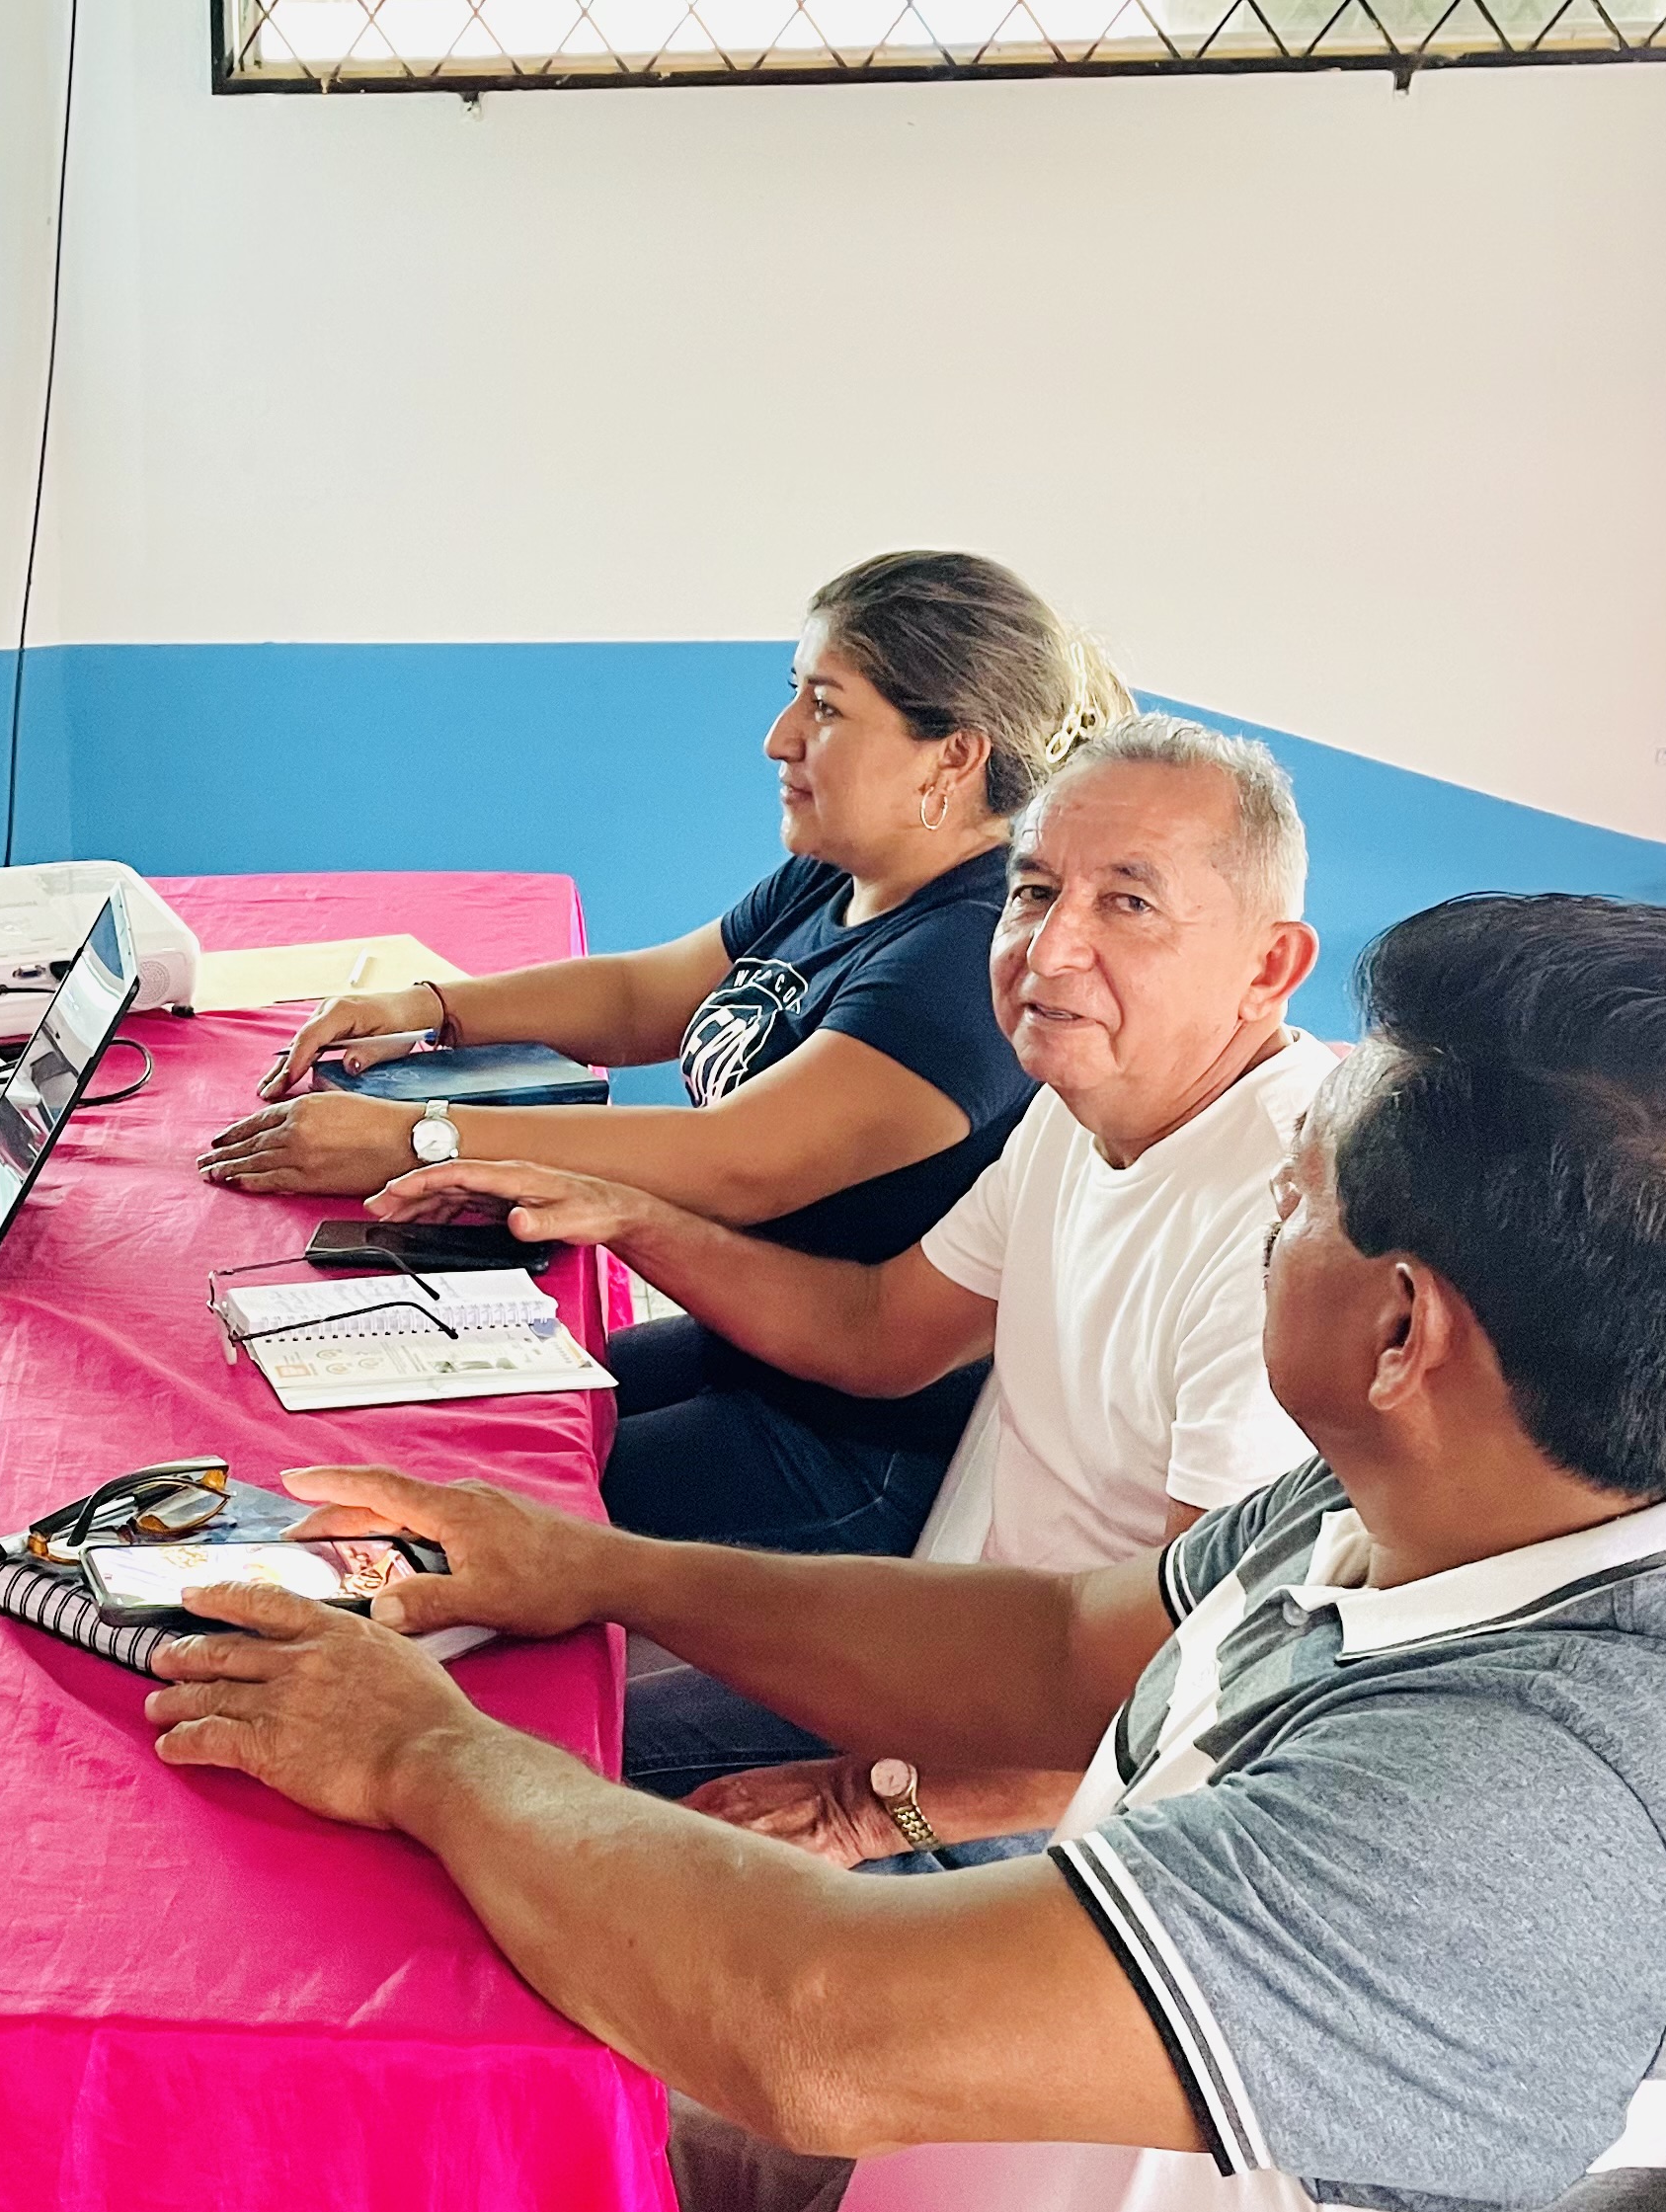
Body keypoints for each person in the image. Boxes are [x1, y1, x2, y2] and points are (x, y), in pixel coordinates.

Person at [144, 896, 1666, 2212]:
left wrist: (425, 1751)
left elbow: (815, 2026)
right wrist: (596, 1571)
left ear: (1400, 1332)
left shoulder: (1550, 1814)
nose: (1267, 1209)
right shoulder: (1473, 1495)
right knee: (345, 2157)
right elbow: (1056, 1653)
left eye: (1298, 1197)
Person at [382, 718, 1328, 1805]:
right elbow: (880, 1334)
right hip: (946, 1647)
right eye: (1032, 893)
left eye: (1129, 903)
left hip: (1047, 1784)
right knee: (482, 1664)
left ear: (1270, 966)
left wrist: (872, 1810)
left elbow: (1207, 1698)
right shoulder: (1086, 1098)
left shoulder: (1294, 1235)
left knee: (505, 1761)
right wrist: (627, 1217)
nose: (1050, 950)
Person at [201, 553, 1124, 1557]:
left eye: (826, 707)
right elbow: (647, 995)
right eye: (795, 695)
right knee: (422, 1433)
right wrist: (431, 1008)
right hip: (750, 1351)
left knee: (433, 1519)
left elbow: (738, 1161)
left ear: (951, 756)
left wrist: (415, 1136)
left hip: (841, 1448)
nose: (780, 738)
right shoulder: (844, 874)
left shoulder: (959, 956)